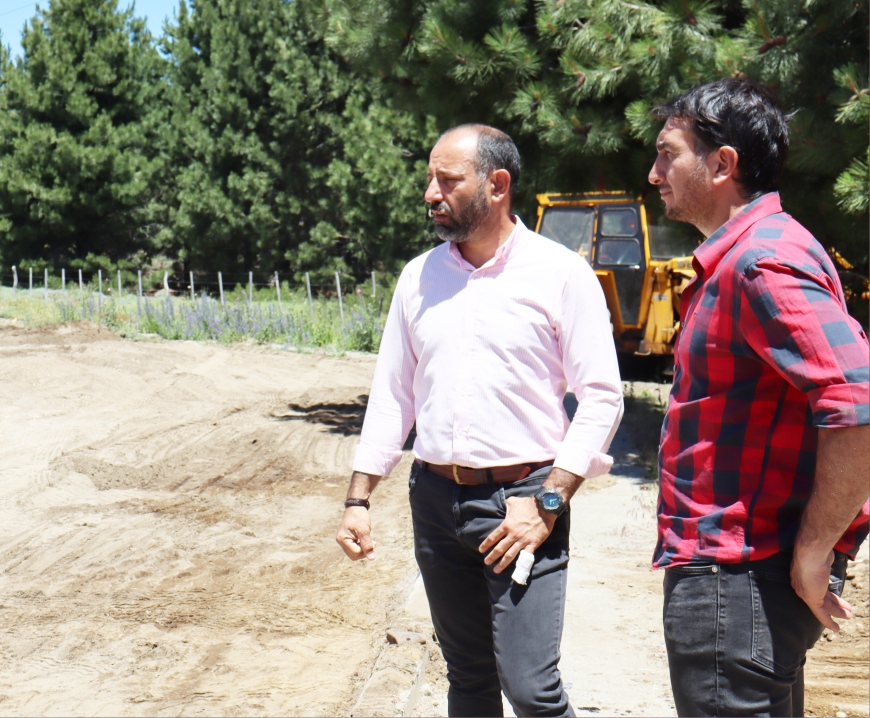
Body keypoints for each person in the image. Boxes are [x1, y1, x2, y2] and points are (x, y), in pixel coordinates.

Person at [336, 124, 623, 717]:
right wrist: (358, 499)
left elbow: (602, 397)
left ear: (497, 184)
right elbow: (392, 397)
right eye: (429, 179)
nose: (430, 194)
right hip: (435, 502)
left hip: (523, 505)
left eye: (448, 180)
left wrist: (547, 503)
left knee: (531, 688)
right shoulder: (419, 277)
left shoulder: (560, 274)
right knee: (467, 680)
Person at [647, 78, 870, 717]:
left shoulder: (759, 263)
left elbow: (857, 404)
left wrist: (816, 548)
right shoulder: (759, 252)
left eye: (668, 154)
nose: (654, 173)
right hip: (742, 583)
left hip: (738, 580)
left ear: (723, 164)